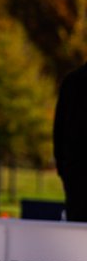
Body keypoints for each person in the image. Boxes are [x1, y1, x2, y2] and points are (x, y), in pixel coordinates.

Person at [53, 61, 87, 222]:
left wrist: (65, 170)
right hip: (77, 176)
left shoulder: (71, 82)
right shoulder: (73, 83)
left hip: (76, 177)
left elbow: (58, 132)